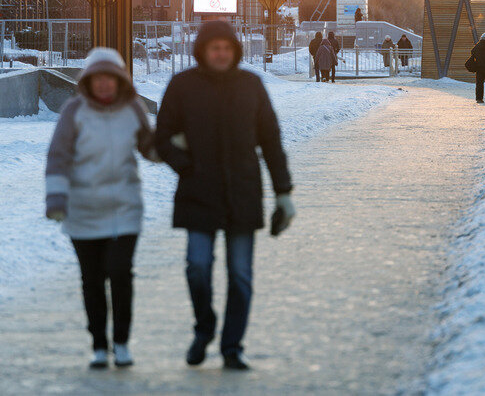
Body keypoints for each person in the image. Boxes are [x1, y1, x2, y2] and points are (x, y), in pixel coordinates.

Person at [155, 21, 296, 371]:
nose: (221, 53)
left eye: (227, 48)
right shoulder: (182, 85)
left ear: (235, 51)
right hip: (197, 192)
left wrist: (283, 193)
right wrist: (187, 167)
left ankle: (232, 346)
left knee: (241, 275)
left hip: (242, 192)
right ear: (203, 50)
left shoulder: (251, 85)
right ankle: (204, 328)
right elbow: (162, 137)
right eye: (214, 47)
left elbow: (271, 141)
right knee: (197, 267)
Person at [45, 48, 157, 369]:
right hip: (84, 210)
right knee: (92, 279)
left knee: (120, 273)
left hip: (124, 207)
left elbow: (148, 146)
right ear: (88, 81)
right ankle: (98, 344)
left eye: (111, 78)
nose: (105, 84)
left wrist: (169, 148)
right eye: (99, 79)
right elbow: (58, 156)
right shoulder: (74, 111)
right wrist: (56, 199)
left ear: (120, 80)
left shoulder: (132, 108)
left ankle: (121, 342)